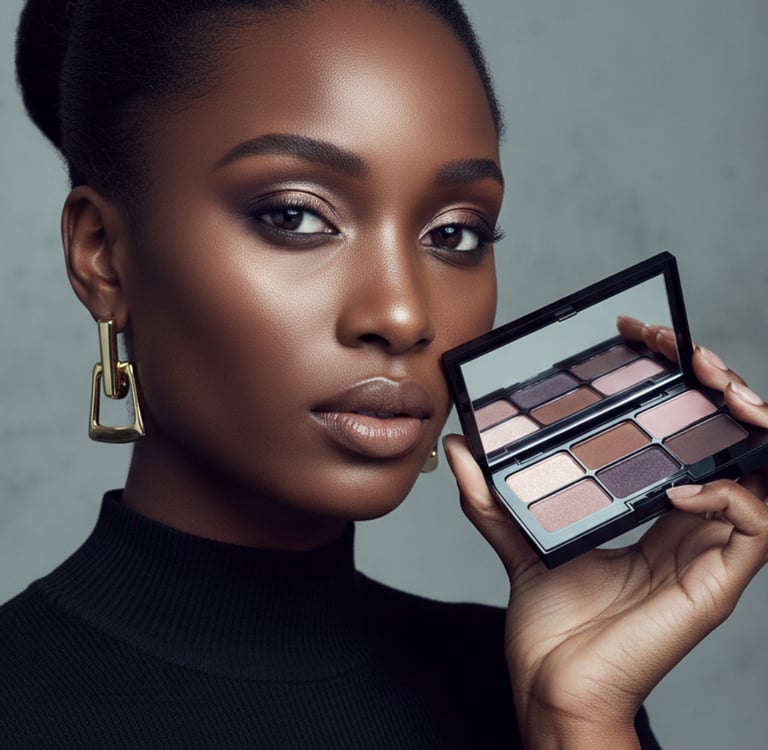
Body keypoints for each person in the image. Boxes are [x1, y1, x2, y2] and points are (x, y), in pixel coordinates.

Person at [2, 0, 767, 747]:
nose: (403, 315)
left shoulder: (542, 688)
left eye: (454, 233)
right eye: (295, 215)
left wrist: (577, 721)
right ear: (101, 252)